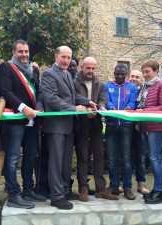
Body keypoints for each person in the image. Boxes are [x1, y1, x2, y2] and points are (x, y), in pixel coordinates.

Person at [41, 46, 97, 210]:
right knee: (56, 162)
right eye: (63, 57)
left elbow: (73, 96)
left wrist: (87, 102)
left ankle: (65, 190)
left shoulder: (67, 74)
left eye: (68, 57)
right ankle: (56, 196)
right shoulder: (49, 74)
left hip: (68, 126)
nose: (66, 60)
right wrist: (74, 109)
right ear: (56, 56)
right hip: (56, 126)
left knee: (65, 162)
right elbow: (51, 99)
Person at [0, 40, 45, 209]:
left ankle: (28, 189)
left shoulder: (33, 69)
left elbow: (38, 91)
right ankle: (13, 194)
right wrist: (23, 107)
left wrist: (38, 106)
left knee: (31, 155)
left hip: (32, 119)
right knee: (12, 158)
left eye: (26, 51)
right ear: (13, 52)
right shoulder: (6, 67)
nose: (24, 55)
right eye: (20, 52)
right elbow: (6, 91)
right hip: (15, 120)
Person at [74, 56, 118, 202]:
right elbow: (73, 99)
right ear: (82, 68)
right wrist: (86, 109)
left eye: (93, 68)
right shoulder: (74, 83)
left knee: (99, 155)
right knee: (83, 156)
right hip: (81, 124)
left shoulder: (99, 83)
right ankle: (83, 188)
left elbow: (102, 98)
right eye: (88, 68)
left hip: (96, 124)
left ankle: (100, 189)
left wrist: (101, 106)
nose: (90, 71)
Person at [137, 60, 162, 204]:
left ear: (156, 71)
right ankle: (156, 191)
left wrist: (144, 112)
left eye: (148, 72)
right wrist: (139, 122)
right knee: (151, 158)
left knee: (155, 158)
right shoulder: (145, 86)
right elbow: (141, 104)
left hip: (157, 127)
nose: (145, 75)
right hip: (145, 126)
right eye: (144, 72)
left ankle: (159, 191)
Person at [104, 64, 138, 200]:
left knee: (126, 158)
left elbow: (133, 102)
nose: (119, 76)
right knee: (111, 158)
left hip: (126, 126)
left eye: (122, 74)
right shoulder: (107, 86)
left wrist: (129, 107)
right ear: (114, 73)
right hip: (111, 125)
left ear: (126, 75)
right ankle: (114, 185)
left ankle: (127, 187)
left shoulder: (132, 87)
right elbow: (107, 101)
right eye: (117, 74)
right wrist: (111, 107)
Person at [128, 70, 150, 195]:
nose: (134, 78)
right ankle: (125, 184)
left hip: (140, 129)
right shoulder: (125, 89)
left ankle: (141, 184)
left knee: (141, 157)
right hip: (126, 127)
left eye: (137, 77)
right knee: (125, 157)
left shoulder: (145, 91)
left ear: (141, 79)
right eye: (132, 76)